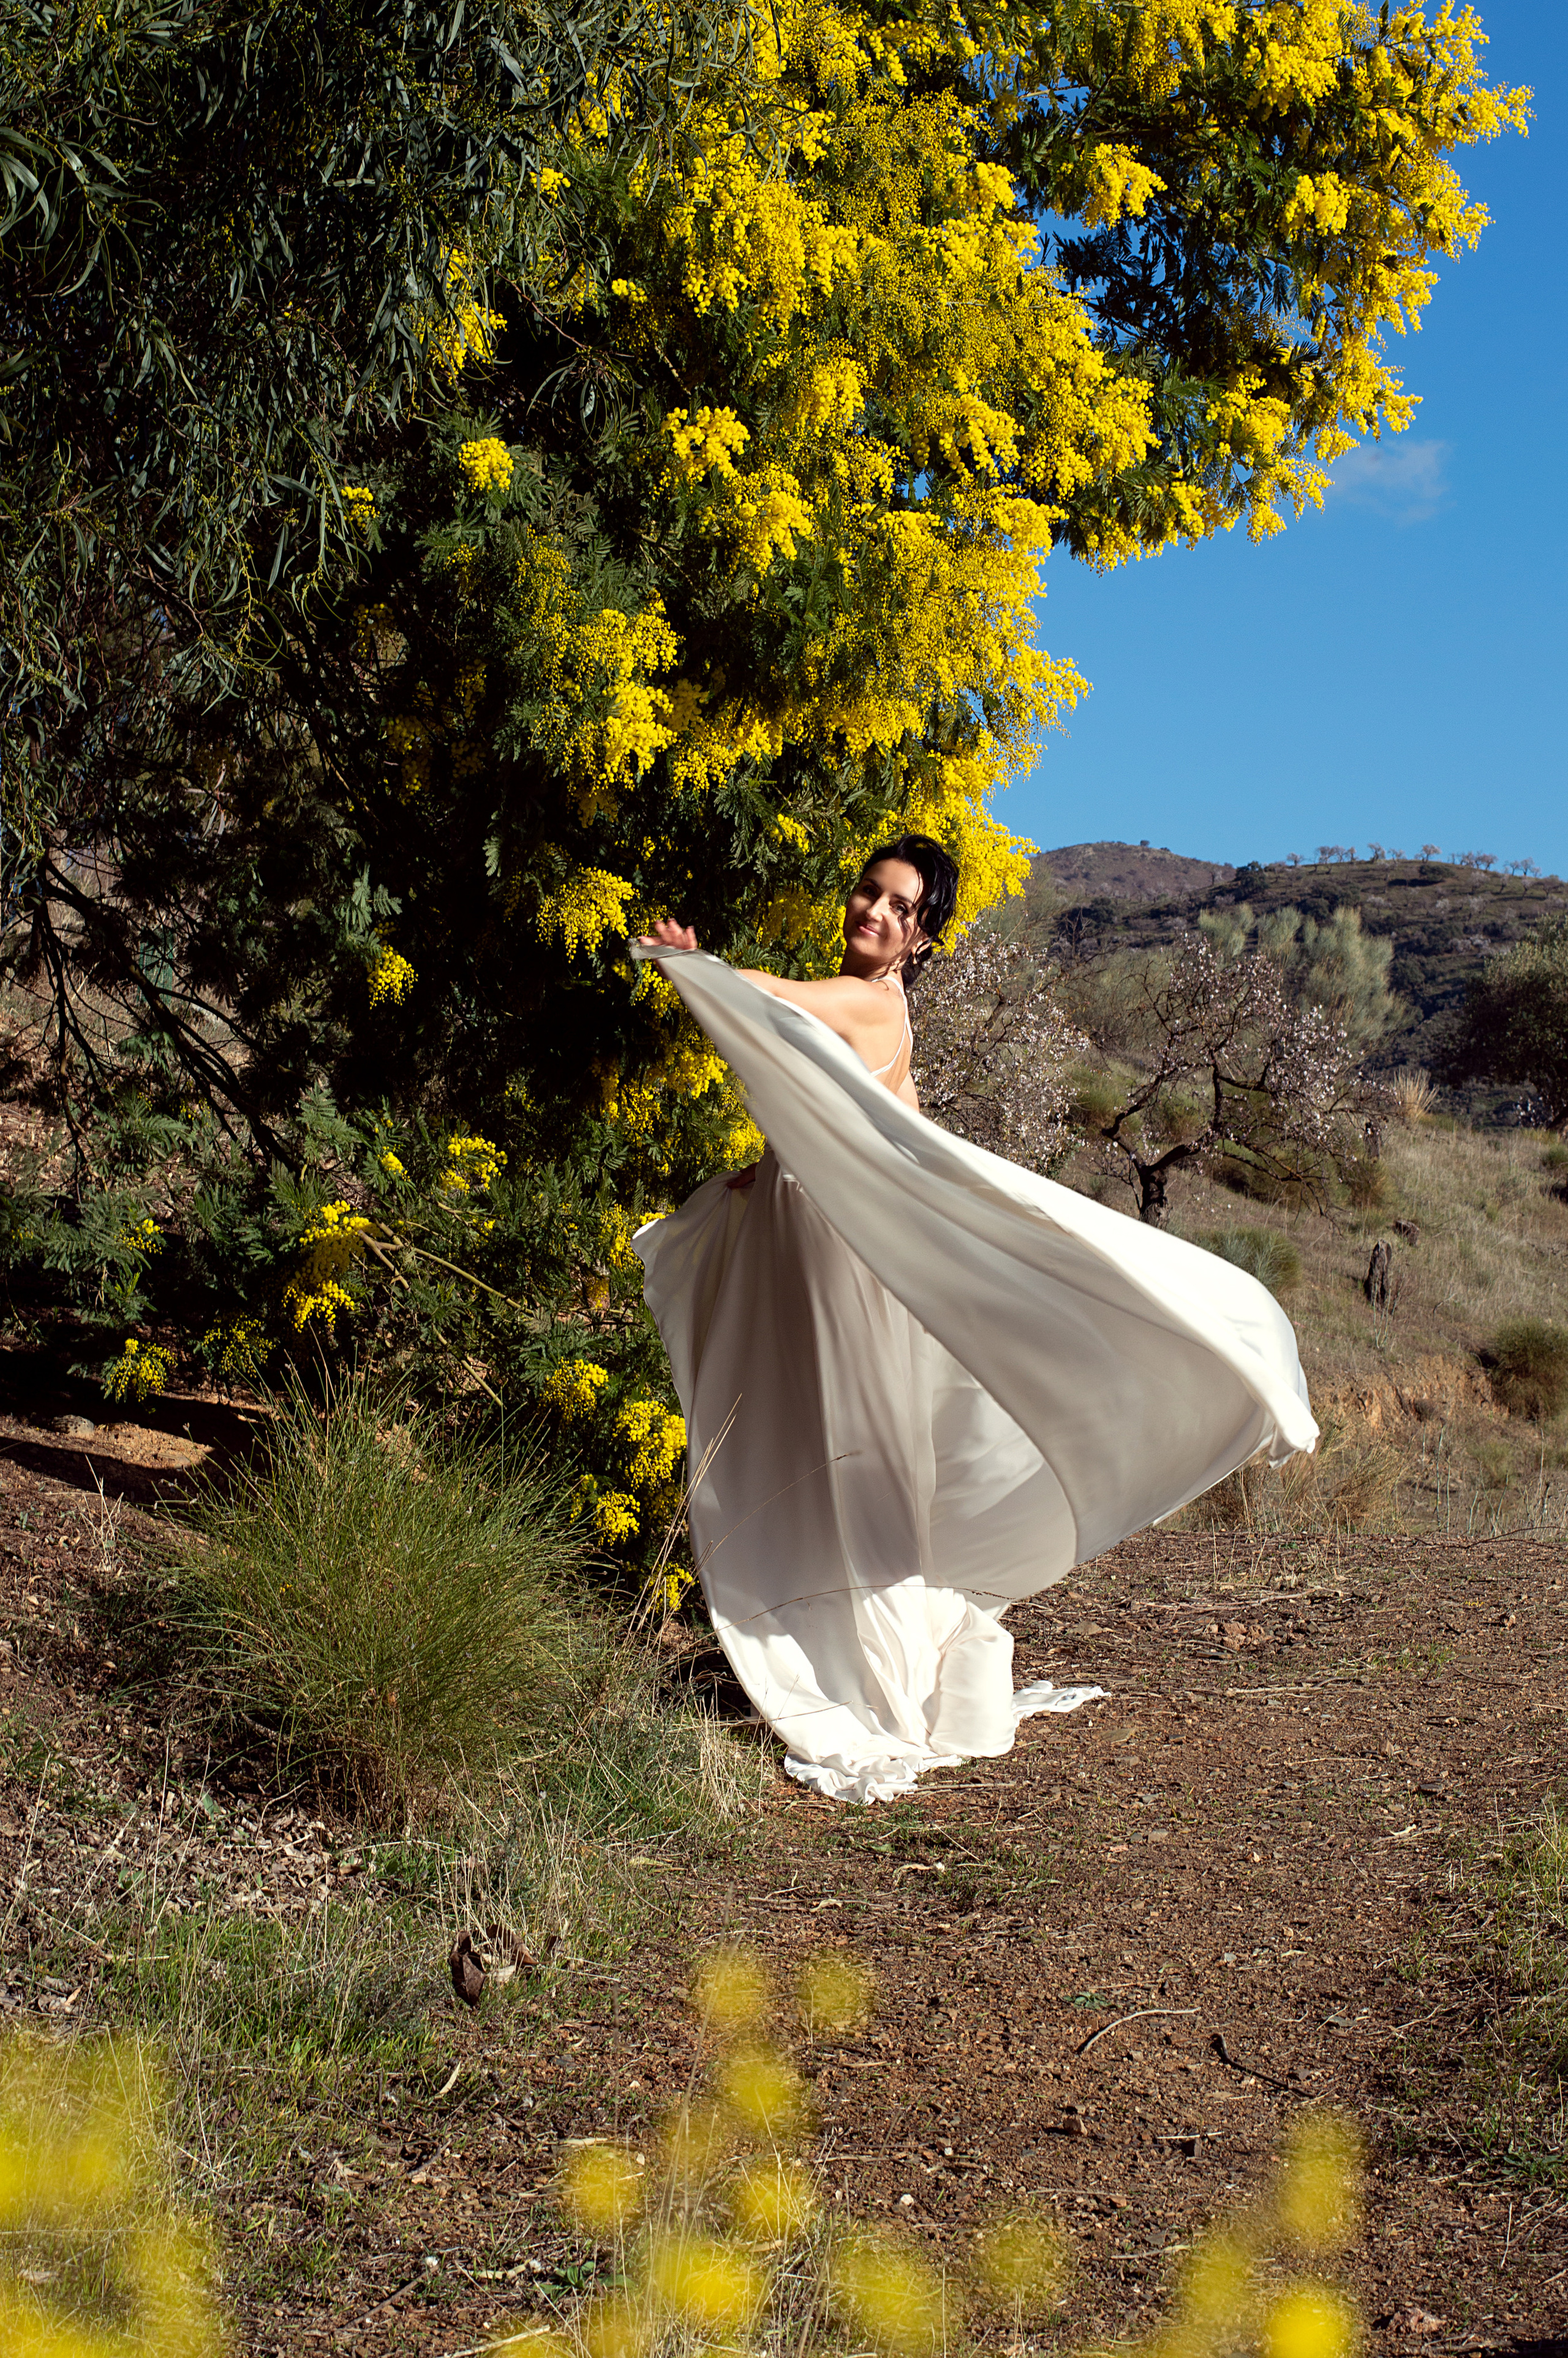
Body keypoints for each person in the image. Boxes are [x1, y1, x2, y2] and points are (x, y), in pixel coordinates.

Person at [633, 837, 1317, 1805]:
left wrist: (694, 965)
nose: (874, 911)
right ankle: (854, 1648)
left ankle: (866, 1671)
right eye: (867, 890)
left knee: (843, 1453)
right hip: (820, 1244)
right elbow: (879, 1130)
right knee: (839, 1449)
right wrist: (766, 1172)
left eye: (899, 906)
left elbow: (776, 998)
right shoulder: (884, 1009)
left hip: (832, 1260)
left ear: (921, 937)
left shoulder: (871, 1002)